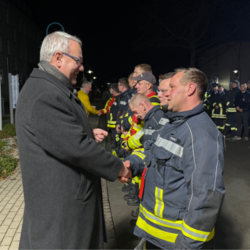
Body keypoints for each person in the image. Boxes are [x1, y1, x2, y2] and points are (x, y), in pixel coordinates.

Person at [15, 31, 131, 249]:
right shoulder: (46, 95)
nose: (81, 68)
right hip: (62, 212)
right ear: (58, 58)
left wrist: (87, 134)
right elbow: (76, 148)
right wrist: (118, 168)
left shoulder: (51, 88)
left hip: (62, 206)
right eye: (78, 61)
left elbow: (62, 136)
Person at [124, 68, 225, 249]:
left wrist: (186, 246)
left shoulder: (201, 134)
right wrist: (132, 164)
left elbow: (205, 196)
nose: (165, 93)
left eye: (171, 87)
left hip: (174, 242)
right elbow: (151, 152)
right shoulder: (172, 123)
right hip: (156, 236)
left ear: (190, 89)